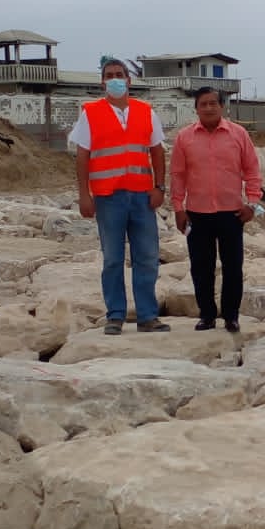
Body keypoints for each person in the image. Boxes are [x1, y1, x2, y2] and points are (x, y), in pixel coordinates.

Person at [69, 59, 171, 335]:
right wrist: (84, 194)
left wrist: (160, 187)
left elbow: (157, 151)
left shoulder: (146, 111)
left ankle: (147, 316)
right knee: (113, 259)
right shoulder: (90, 113)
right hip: (108, 197)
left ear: (128, 80)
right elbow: (82, 156)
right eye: (109, 75)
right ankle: (115, 315)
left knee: (147, 256)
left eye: (119, 74)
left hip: (142, 197)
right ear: (102, 82)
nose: (114, 79)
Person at [171, 87, 262, 332]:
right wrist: (178, 208)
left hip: (232, 213)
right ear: (196, 108)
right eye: (203, 104)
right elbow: (178, 175)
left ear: (222, 106)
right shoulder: (184, 138)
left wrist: (252, 204)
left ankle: (231, 316)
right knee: (201, 267)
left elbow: (252, 170)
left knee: (233, 267)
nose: (209, 108)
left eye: (213, 103)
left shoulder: (239, 134)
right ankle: (207, 315)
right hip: (197, 213)